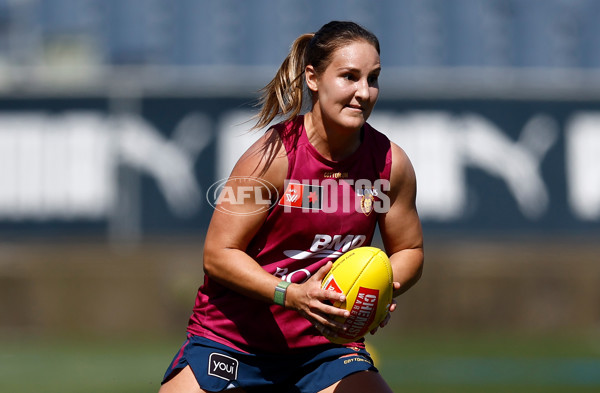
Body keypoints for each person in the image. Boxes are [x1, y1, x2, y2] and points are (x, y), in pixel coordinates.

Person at [159, 20, 424, 393]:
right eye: (349, 77)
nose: (364, 92)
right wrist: (293, 295)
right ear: (313, 78)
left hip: (326, 351)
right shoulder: (271, 159)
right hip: (234, 342)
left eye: (373, 78)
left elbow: (409, 250)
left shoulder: (390, 164)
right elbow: (219, 254)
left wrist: (380, 290)